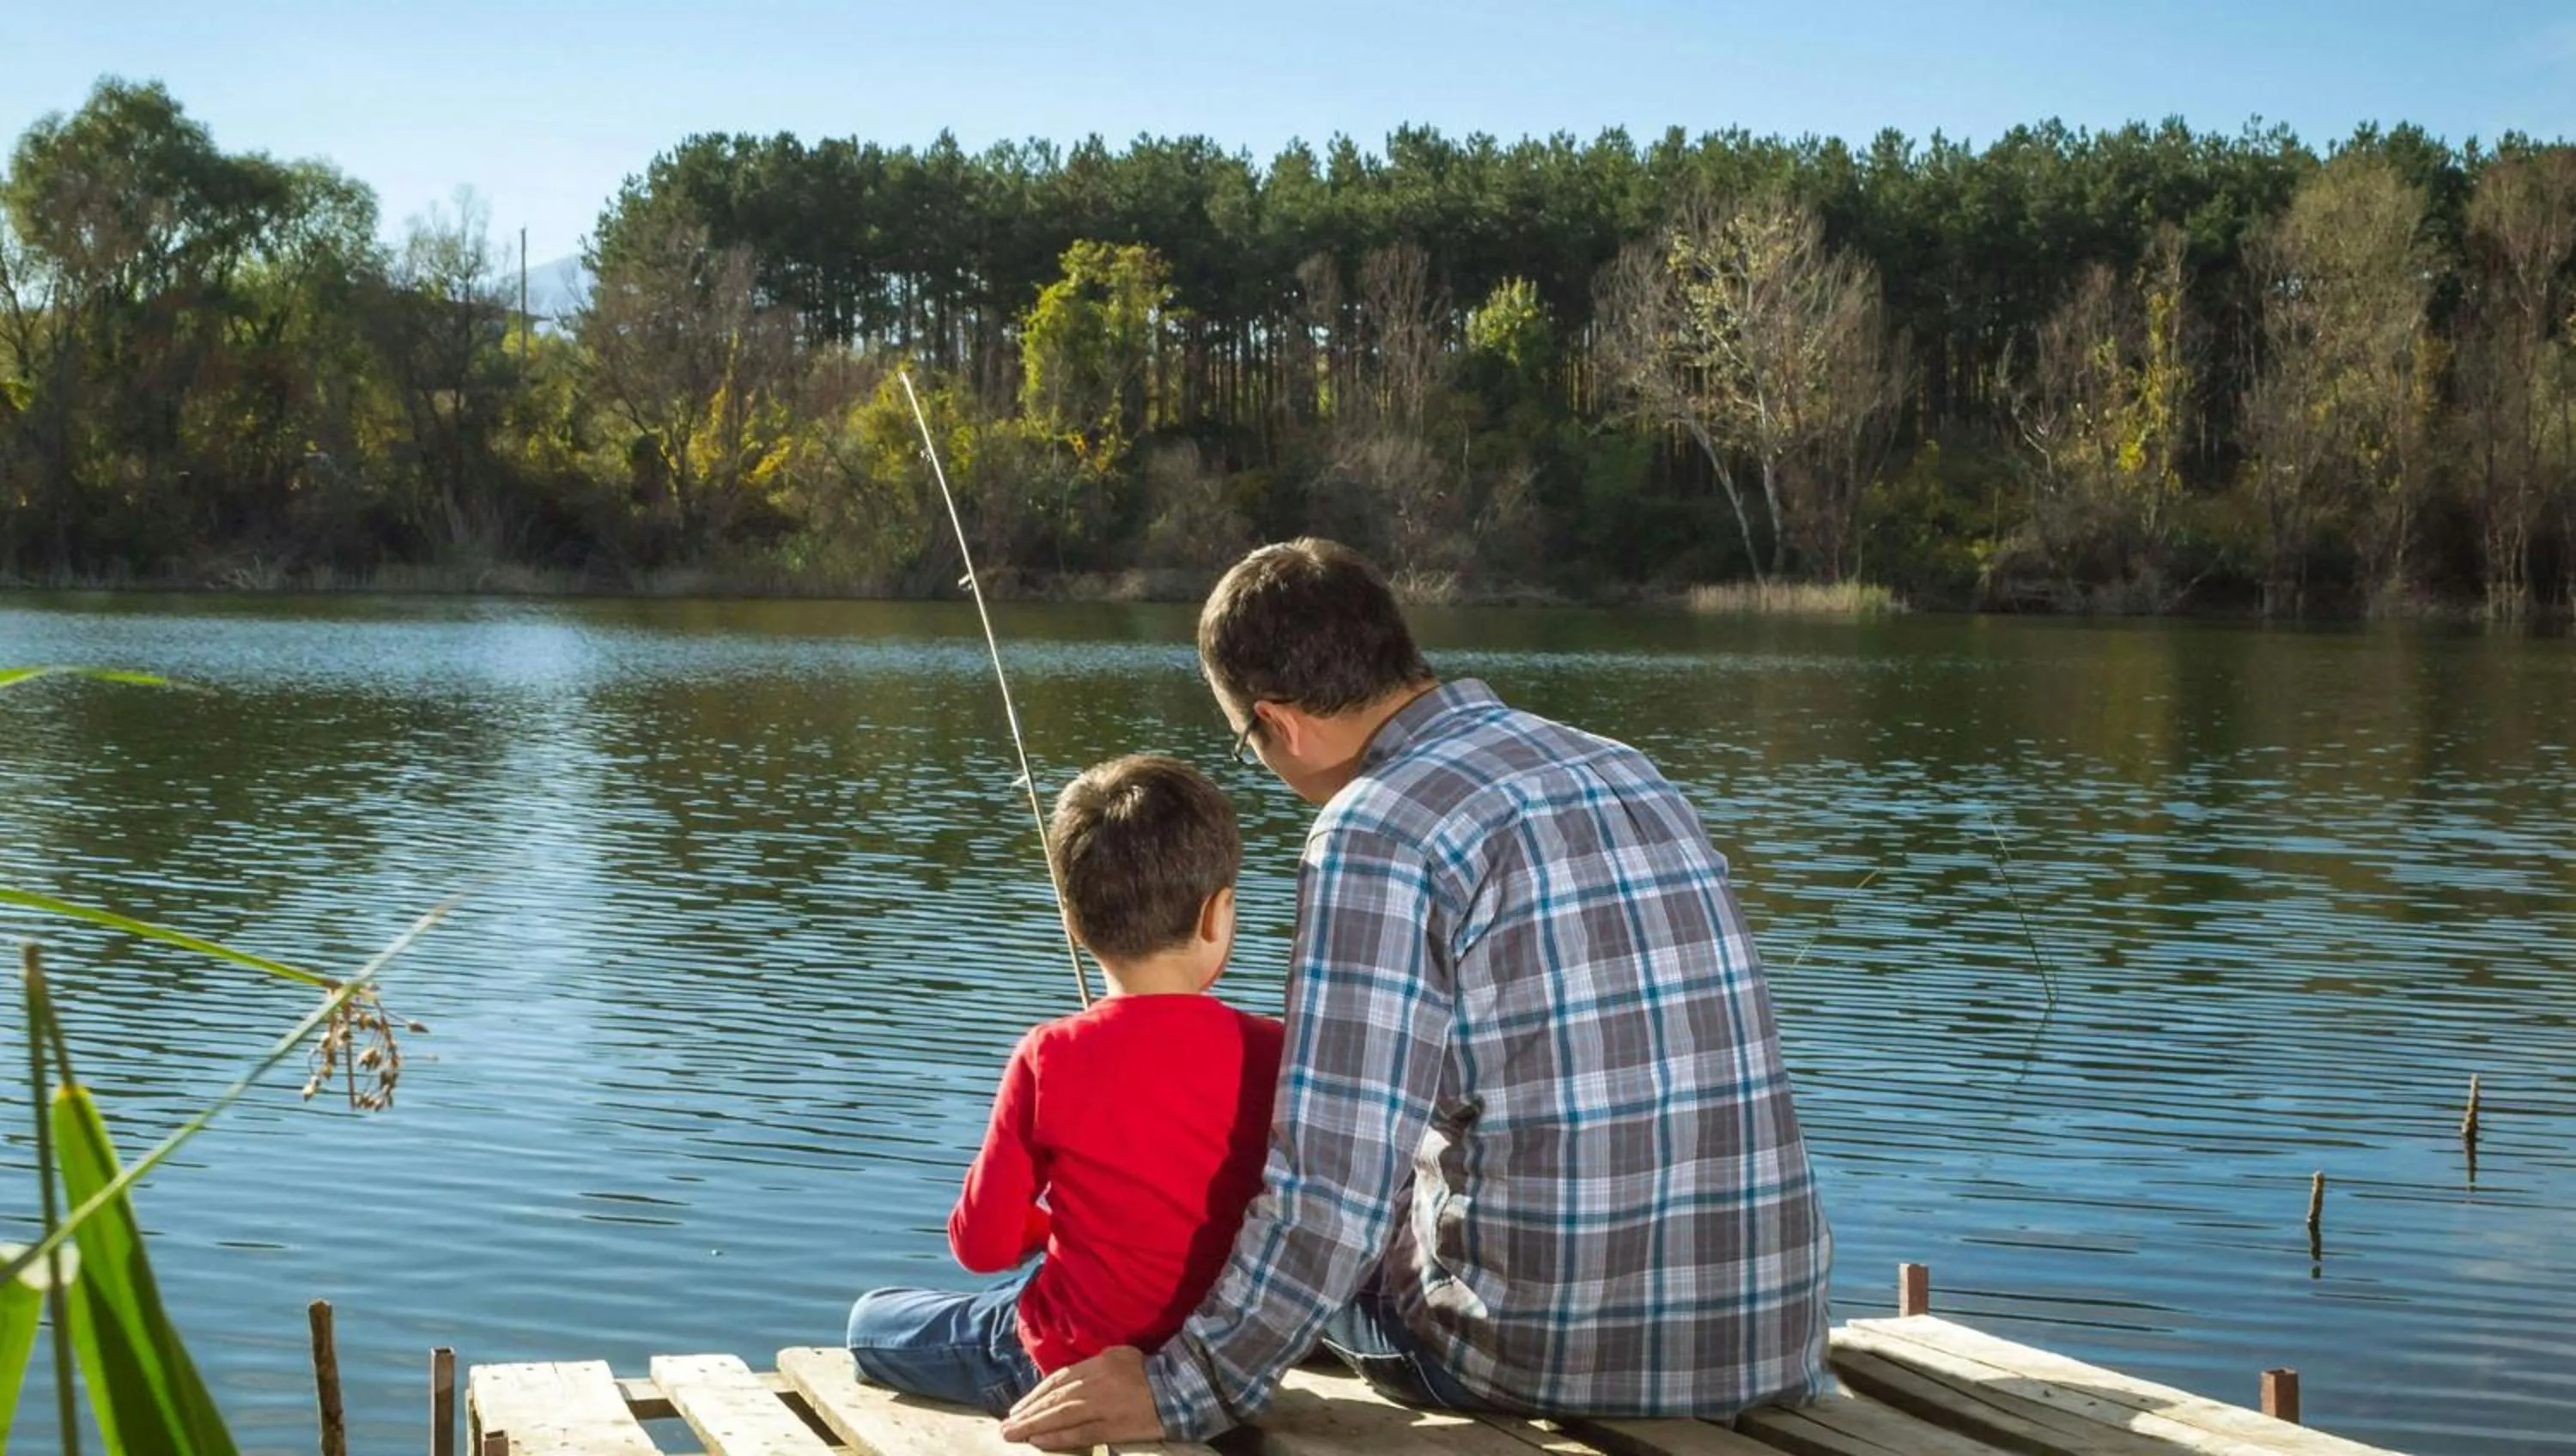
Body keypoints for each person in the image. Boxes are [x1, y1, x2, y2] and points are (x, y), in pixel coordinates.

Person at [1001, 538, 1833, 1449]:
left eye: (1249, 745)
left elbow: (1331, 1187)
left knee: (1203, 1262)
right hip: (1768, 1337)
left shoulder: (1375, 829)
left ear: (1281, 723)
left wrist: (1182, 1386)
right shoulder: (1627, 768)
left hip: (1532, 1358)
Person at [843, 754, 1284, 1417]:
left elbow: (982, 1245)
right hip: (1216, 1360)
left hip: (1061, 1363)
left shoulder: (1050, 1055)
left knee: (870, 1323)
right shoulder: (1276, 1051)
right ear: (1217, 915)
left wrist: (1044, 1225)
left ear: (1074, 924)